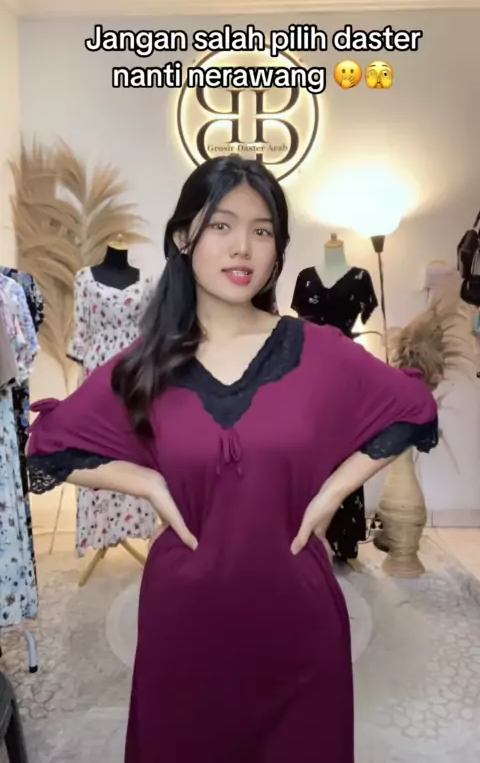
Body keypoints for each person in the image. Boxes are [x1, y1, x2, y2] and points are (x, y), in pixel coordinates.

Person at [26, 155, 438, 763]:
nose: (242, 246)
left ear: (277, 250)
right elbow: (50, 444)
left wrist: (331, 493)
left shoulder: (318, 351)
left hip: (298, 624)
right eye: (221, 224)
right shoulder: (147, 364)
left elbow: (413, 407)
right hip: (183, 625)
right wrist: (146, 481)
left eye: (262, 230)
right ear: (183, 237)